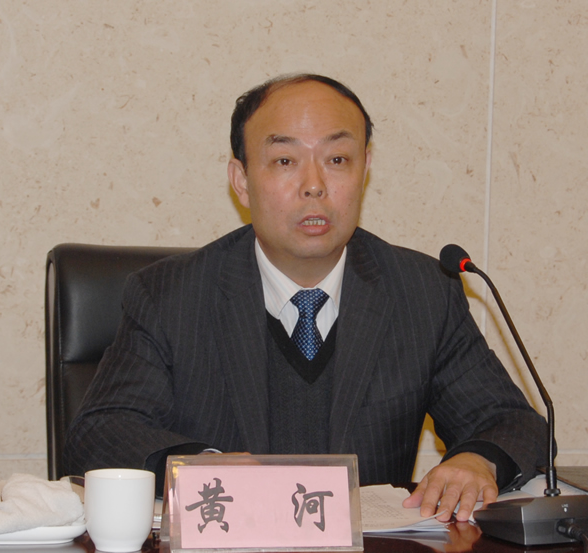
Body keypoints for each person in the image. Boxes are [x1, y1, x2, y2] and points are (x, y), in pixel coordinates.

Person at [64, 74, 548, 523]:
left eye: (337, 160)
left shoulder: (421, 291)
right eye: (285, 161)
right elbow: (101, 431)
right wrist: (201, 467)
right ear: (241, 180)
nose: (314, 185)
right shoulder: (169, 295)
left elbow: (512, 422)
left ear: (364, 170)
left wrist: (477, 460)